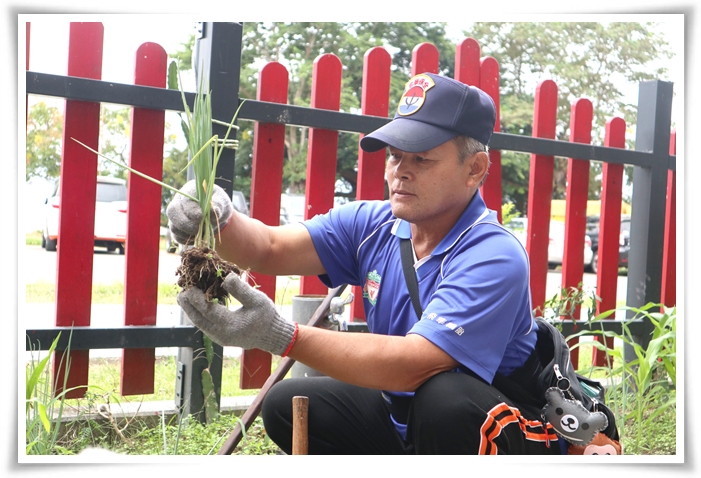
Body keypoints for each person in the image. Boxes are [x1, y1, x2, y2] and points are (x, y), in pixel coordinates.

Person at [167, 72, 564, 455]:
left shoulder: (493, 254)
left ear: (474, 169)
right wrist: (217, 219)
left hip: (501, 427)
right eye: (395, 156)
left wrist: (280, 335)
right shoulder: (373, 225)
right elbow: (270, 246)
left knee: (445, 401)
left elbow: (414, 365)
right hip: (408, 417)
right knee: (286, 403)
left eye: (422, 160)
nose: (400, 172)